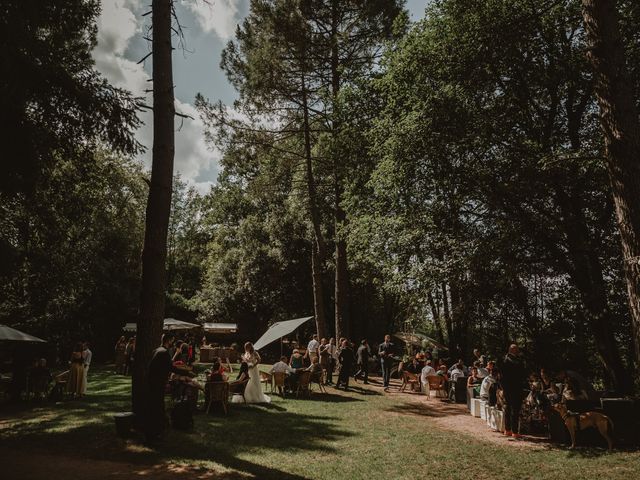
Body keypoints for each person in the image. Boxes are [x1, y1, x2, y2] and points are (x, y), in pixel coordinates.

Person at [145, 334, 193, 443]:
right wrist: (187, 372)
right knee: (157, 408)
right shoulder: (163, 352)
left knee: (155, 407)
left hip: (152, 383)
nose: (173, 343)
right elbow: (171, 368)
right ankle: (155, 433)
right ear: (169, 341)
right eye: (172, 340)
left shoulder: (156, 350)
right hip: (157, 384)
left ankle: (156, 430)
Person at [500, 344, 527, 437]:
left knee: (508, 407)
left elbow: (502, 376)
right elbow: (522, 374)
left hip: (507, 388)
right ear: (513, 350)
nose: (518, 350)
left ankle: (507, 430)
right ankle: (514, 431)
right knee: (515, 409)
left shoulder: (504, 360)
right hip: (516, 388)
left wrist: (503, 388)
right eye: (517, 349)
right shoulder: (517, 361)